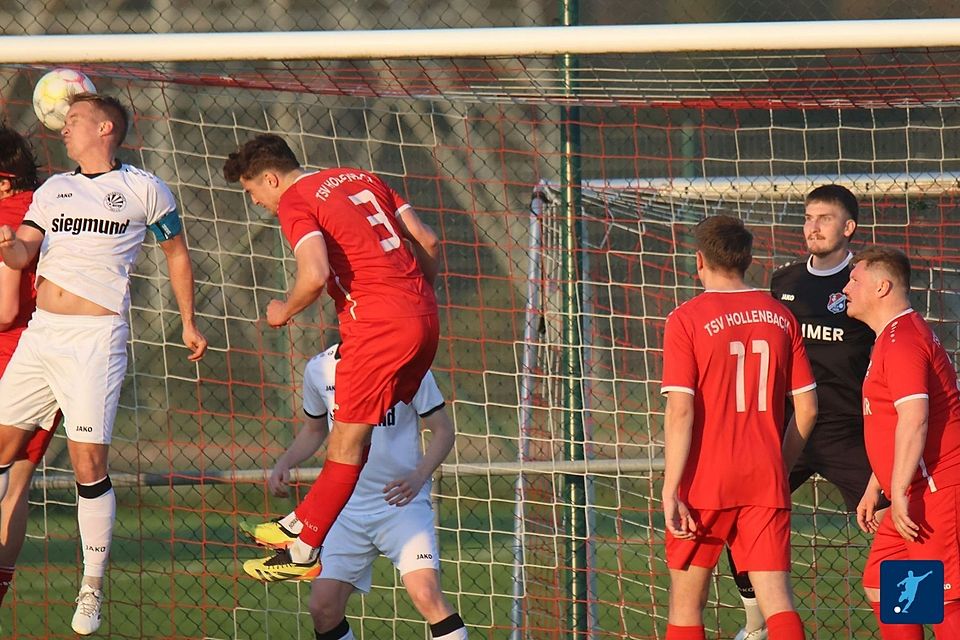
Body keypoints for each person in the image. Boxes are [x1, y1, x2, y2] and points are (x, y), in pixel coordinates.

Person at [0, 94, 208, 634]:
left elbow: (178, 254)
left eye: (73, 122)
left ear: (105, 127)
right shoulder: (52, 191)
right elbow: (24, 252)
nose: (63, 130)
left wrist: (188, 321)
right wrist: (8, 247)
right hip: (42, 334)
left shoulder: (144, 189)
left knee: (88, 464)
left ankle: (91, 586)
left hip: (96, 339)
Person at [223, 134, 440, 582]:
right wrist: (419, 300)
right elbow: (428, 241)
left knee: (343, 441)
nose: (257, 202)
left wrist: (284, 310)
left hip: (376, 326)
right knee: (353, 436)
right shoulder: (361, 177)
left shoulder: (295, 200)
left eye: (252, 192)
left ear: (269, 178)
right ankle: (300, 526)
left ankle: (303, 551)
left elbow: (316, 273)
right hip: (422, 317)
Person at [729, 184, 879, 640]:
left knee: (899, 527)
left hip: (847, 431)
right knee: (740, 515)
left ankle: (926, 620)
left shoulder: (865, 281)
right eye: (808, 217)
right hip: (790, 426)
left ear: (848, 228)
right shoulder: (785, 281)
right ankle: (757, 624)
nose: (813, 226)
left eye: (825, 218)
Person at [241, 344, 468, 640]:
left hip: (401, 508)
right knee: (323, 609)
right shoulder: (318, 368)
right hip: (345, 510)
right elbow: (314, 430)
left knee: (426, 594)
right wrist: (285, 462)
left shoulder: (406, 363)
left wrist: (418, 476)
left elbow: (443, 431)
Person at [660, 215, 817, 640]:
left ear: (699, 260)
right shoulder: (781, 316)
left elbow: (681, 412)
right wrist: (777, 468)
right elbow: (807, 408)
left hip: (706, 480)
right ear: (748, 259)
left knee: (687, 605)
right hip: (764, 476)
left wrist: (670, 487)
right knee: (778, 603)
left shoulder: (686, 318)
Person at [844, 246, 960, 639]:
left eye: (854, 280)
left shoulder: (903, 339)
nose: (846, 288)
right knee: (882, 581)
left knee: (944, 605)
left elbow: (916, 417)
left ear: (882, 286)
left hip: (937, 489)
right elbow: (892, 423)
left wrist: (897, 490)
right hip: (912, 488)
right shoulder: (891, 337)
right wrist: (876, 486)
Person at [0, 126, 60, 608]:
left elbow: (3, 309)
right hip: (54, 355)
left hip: (8, 356)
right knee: (17, 482)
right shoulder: (54, 205)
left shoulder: (5, 216)